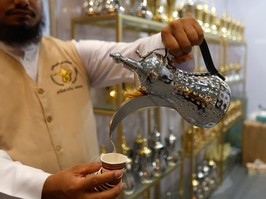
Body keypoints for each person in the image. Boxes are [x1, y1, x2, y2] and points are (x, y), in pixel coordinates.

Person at [0, 0, 204, 198]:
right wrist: (43, 186)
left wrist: (167, 43)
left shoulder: (73, 53)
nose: (22, 2)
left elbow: (130, 54)